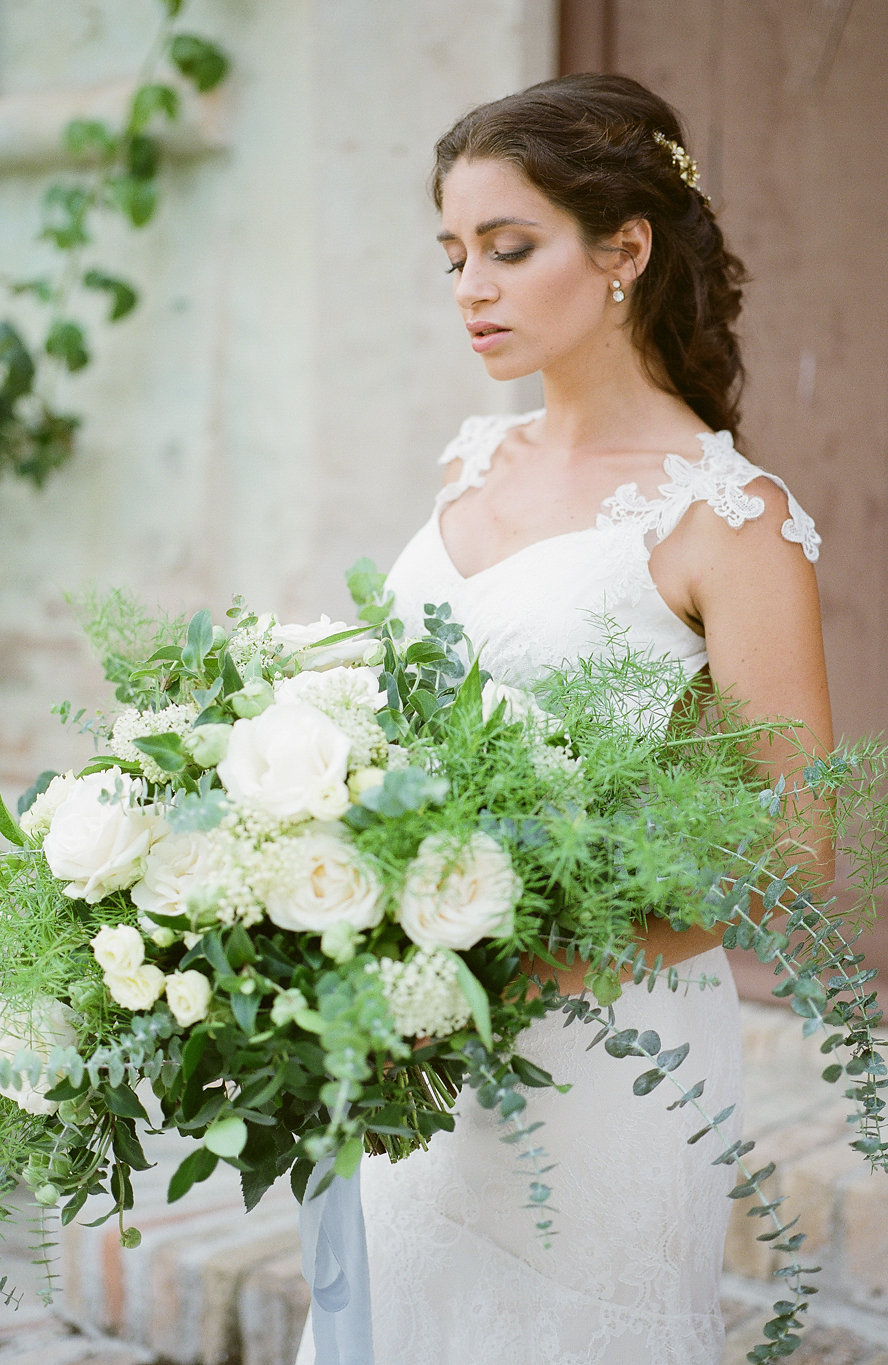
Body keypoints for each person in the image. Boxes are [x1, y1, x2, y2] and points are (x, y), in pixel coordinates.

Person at [296, 73, 832, 1364]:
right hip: (416, 1059)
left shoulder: (732, 517)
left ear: (624, 250)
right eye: (453, 254)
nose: (469, 286)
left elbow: (797, 849)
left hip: (603, 1068)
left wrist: (529, 950)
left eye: (509, 247)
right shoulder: (472, 462)